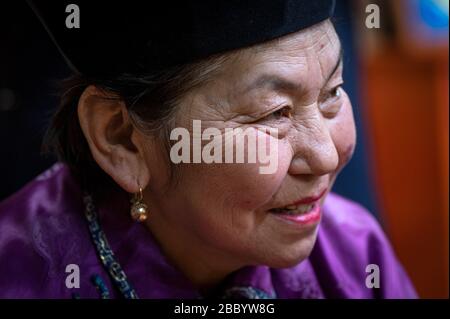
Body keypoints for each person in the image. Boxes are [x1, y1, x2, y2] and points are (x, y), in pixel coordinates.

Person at [0, 0, 416, 298]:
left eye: (332, 92)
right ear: (122, 139)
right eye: (273, 114)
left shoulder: (354, 253)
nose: (327, 156)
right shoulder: (19, 274)